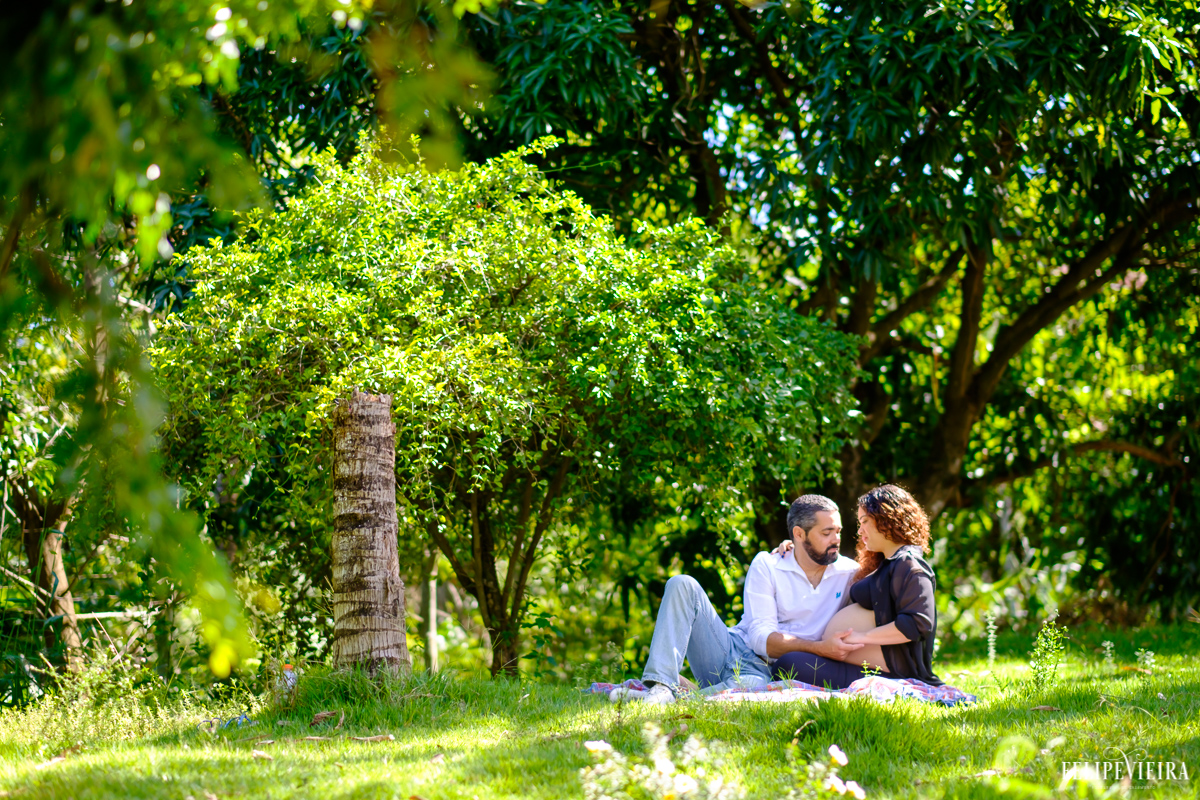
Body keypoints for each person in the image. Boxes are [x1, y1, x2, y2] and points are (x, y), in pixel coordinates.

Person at [616, 494, 862, 704]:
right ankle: (661, 685)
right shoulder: (768, 563)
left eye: (838, 531)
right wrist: (819, 648)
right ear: (799, 534)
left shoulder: (849, 574)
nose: (836, 539)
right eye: (827, 532)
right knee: (682, 584)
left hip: (764, 671)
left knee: (748, 687)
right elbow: (760, 639)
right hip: (729, 649)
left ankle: (675, 694)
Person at [772, 484, 942, 688]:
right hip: (860, 665)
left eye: (864, 522)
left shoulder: (909, 563)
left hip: (895, 673)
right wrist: (798, 546)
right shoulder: (886, 564)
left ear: (886, 519)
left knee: (789, 665)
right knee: (788, 664)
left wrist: (861, 637)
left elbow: (917, 623)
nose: (860, 530)